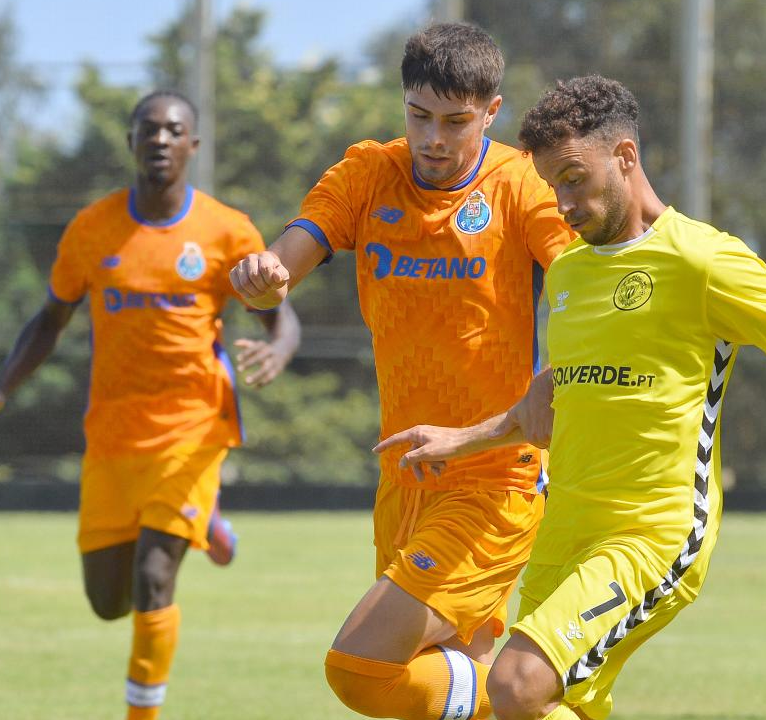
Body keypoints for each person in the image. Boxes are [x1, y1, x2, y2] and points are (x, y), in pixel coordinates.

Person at [374, 75, 766, 720]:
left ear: (625, 156)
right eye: (552, 186)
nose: (563, 204)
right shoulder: (568, 273)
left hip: (652, 534)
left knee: (512, 685)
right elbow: (559, 399)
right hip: (564, 531)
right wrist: (462, 439)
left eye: (575, 180)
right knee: (549, 706)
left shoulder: (701, 259)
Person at [228, 23, 573, 720]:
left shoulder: (520, 186)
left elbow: (583, 287)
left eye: (455, 122)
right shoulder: (367, 173)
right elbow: (287, 260)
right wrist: (264, 278)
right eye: (419, 116)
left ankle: (534, 694)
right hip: (404, 474)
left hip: (495, 478)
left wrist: (562, 377)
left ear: (491, 112)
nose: (433, 139)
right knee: (446, 685)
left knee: (360, 669)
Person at [0, 90, 301, 720]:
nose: (160, 139)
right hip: (114, 435)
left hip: (194, 429)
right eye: (149, 129)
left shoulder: (228, 231)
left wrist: (278, 350)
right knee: (108, 601)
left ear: (192, 145)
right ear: (131, 142)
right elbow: (50, 318)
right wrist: (0, 387)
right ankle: (209, 521)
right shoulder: (92, 229)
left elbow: (280, 316)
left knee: (153, 578)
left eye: (174, 130)